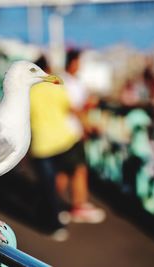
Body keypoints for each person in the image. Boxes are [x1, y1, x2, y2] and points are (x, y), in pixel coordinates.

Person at [31, 53, 105, 231]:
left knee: (52, 180)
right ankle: (73, 208)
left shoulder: (29, 91)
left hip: (40, 143)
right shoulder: (56, 85)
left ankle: (53, 213)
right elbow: (72, 109)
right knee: (76, 169)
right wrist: (88, 125)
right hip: (64, 139)